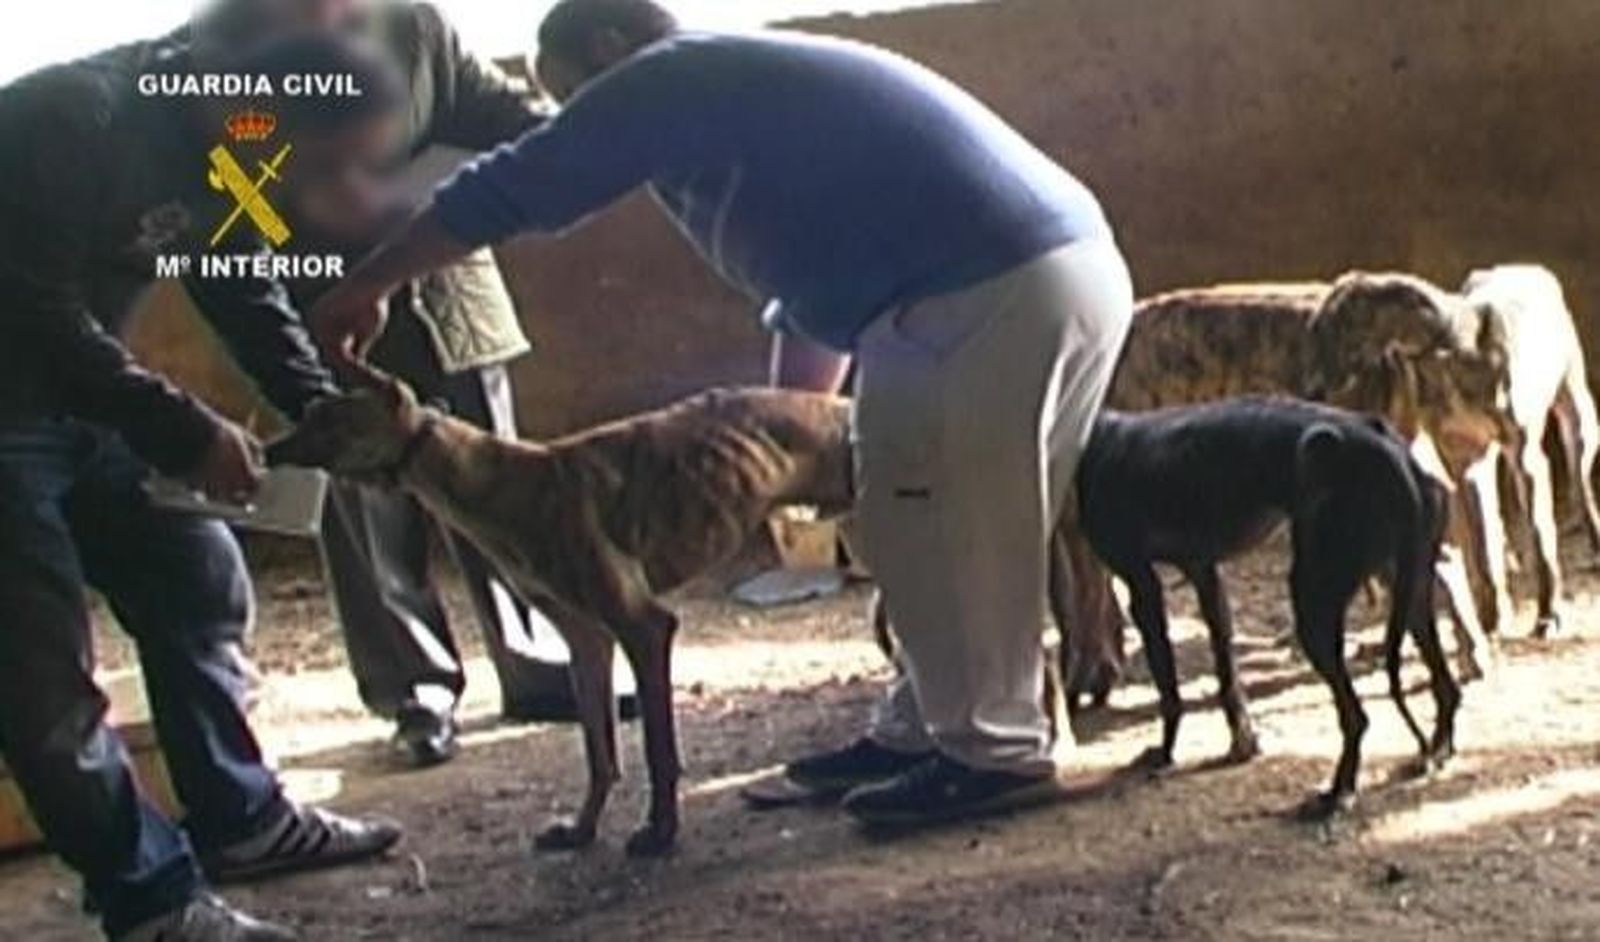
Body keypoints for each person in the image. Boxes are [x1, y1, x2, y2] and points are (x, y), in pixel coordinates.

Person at [311, 0, 1135, 826]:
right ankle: (929, 728)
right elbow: (813, 286)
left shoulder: (669, 75)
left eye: (574, 97)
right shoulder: (734, 98)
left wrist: (367, 282)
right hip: (1030, 275)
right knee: (907, 515)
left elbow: (515, 186)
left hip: (989, 287)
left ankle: (995, 754)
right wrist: (792, 433)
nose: (579, 119)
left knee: (950, 521)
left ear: (609, 46)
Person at [0, 28, 419, 942]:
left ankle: (244, 821)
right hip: (20, 392)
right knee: (40, 676)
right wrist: (183, 426)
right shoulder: (75, 120)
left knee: (193, 571)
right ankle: (147, 900)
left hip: (75, 399)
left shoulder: (241, 140)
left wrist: (323, 411)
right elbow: (28, 311)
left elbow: (245, 280)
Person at [188, 0, 619, 770]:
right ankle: (416, 690)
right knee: (363, 514)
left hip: (447, 300)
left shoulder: (415, 25)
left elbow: (514, 121)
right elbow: (223, 184)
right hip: (320, 312)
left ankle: (540, 661)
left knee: (504, 493)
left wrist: (422, 190)